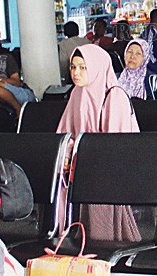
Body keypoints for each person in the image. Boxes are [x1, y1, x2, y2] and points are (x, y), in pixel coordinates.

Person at [56, 44, 141, 242]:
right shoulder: (78, 93)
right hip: (83, 162)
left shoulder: (114, 95)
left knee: (95, 178)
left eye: (83, 67)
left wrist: (81, 156)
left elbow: (114, 146)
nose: (76, 73)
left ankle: (99, 243)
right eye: (73, 67)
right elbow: (66, 133)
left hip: (106, 167)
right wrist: (67, 156)